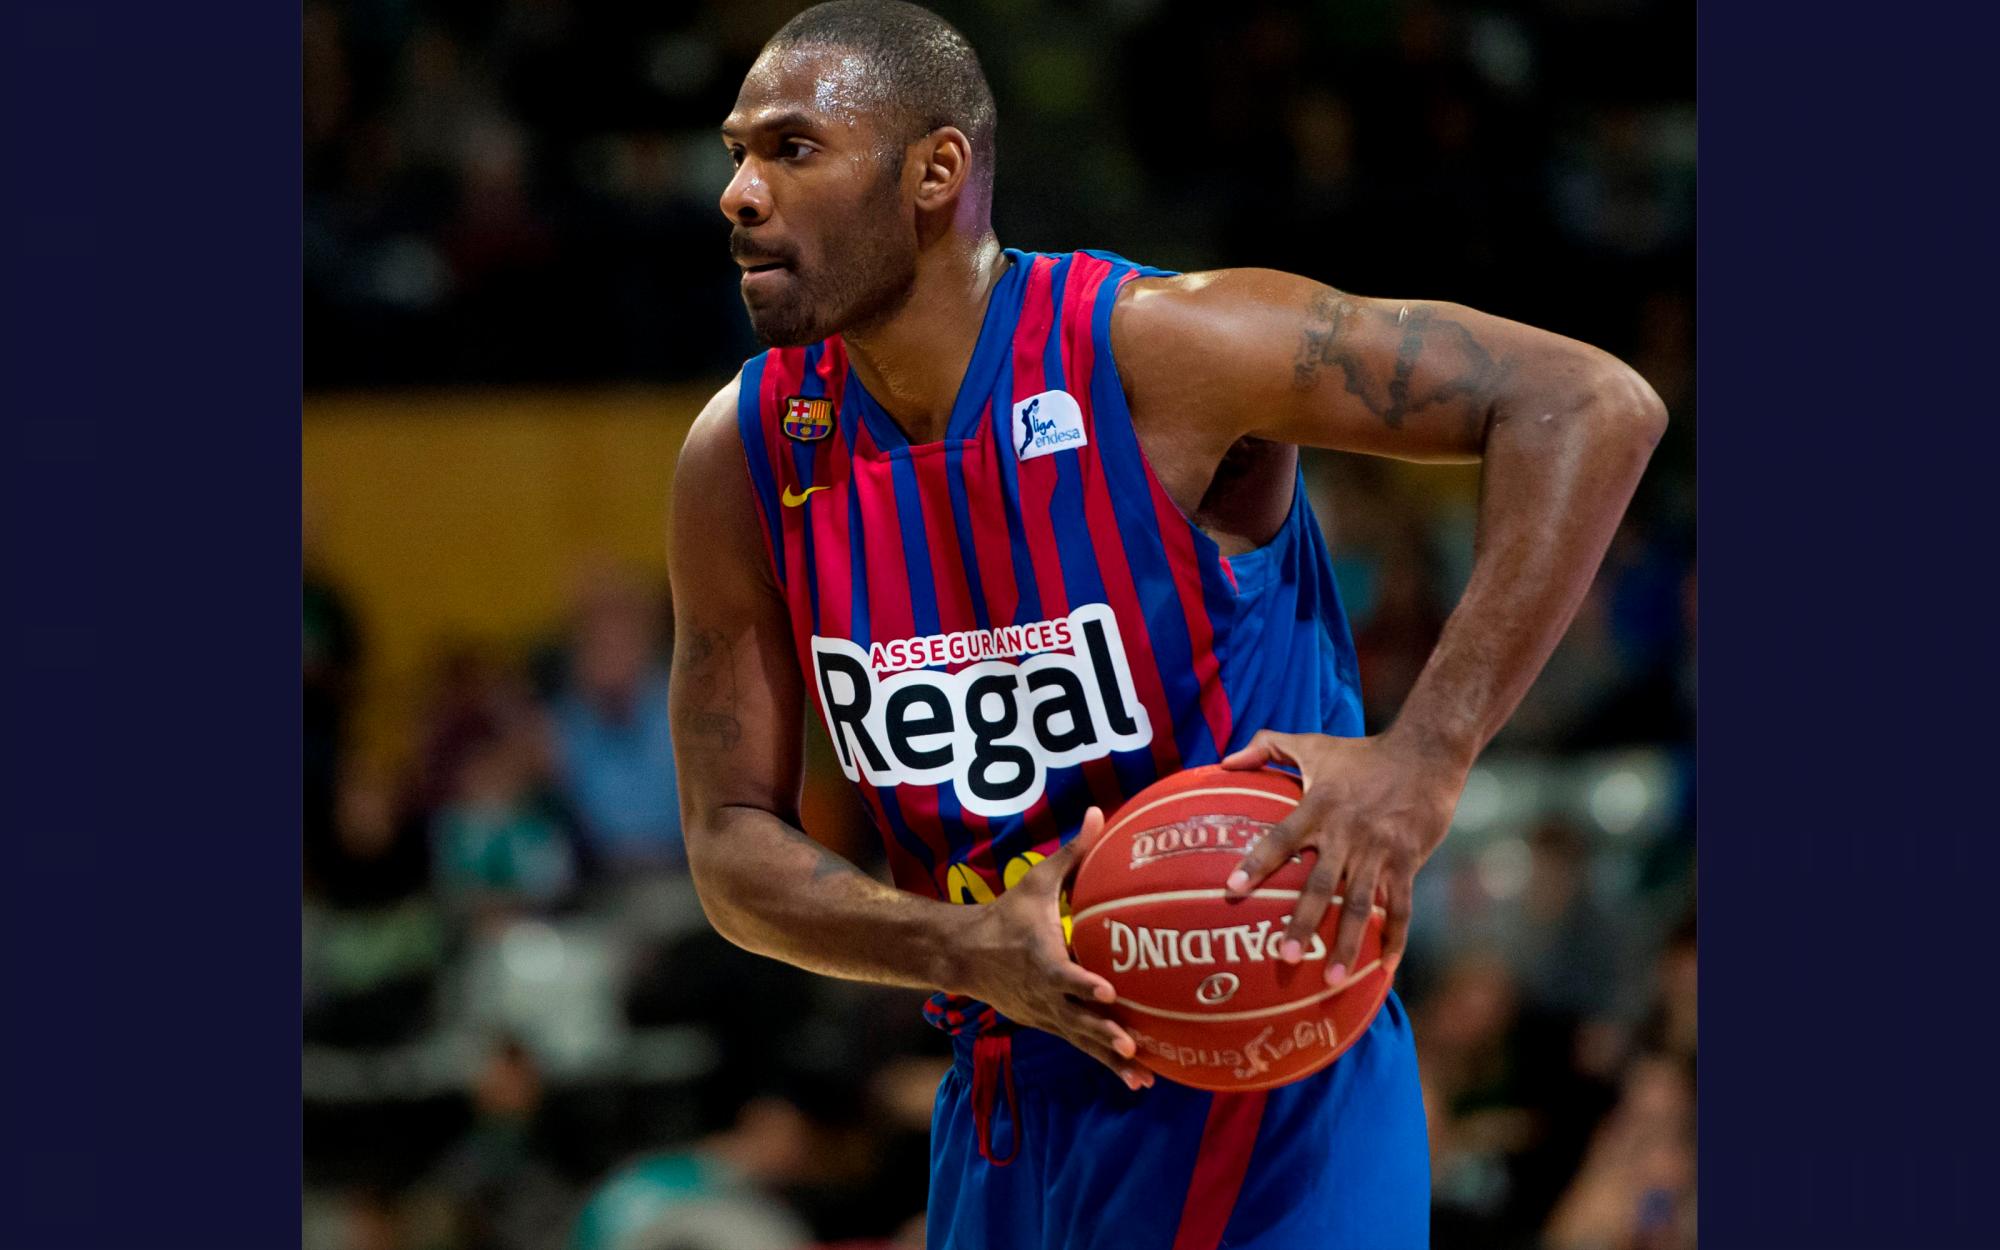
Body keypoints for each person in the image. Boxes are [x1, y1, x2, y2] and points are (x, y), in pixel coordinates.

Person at [666, 3, 1665, 1247]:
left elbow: (1584, 402)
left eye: (791, 150)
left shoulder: (1159, 347)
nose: (739, 194)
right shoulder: (748, 448)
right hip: (1003, 1094)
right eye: (734, 154)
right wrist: (962, 945)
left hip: (1263, 1067)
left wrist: (1426, 755)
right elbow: (728, 847)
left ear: (935, 173)